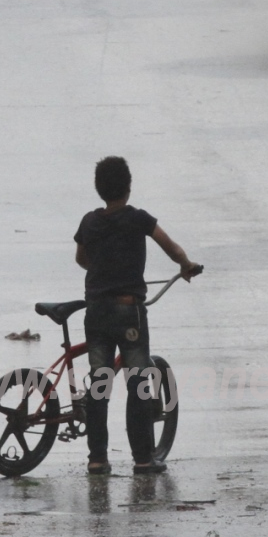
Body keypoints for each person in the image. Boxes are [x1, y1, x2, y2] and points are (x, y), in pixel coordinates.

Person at [74, 156, 199, 476]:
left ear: (98, 189)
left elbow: (81, 258)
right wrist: (185, 265)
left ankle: (97, 459)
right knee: (140, 383)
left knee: (99, 384)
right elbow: (169, 246)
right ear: (128, 188)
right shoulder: (138, 219)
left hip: (96, 312)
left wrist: (104, 269)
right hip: (128, 312)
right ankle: (143, 458)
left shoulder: (89, 222)